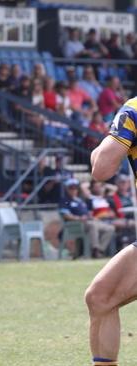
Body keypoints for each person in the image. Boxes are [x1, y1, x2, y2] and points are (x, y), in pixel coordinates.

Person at [85, 96, 137, 366]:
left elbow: (101, 168)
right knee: (101, 297)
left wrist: (103, 146)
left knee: (101, 297)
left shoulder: (134, 110)